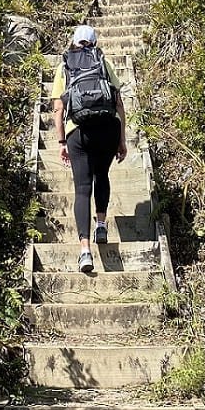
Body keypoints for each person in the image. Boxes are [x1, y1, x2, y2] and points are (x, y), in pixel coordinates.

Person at [52, 24, 127, 273]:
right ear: (94, 42)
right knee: (102, 174)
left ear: (74, 41)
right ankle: (102, 224)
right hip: (108, 128)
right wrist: (122, 139)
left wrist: (62, 142)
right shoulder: (103, 62)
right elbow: (119, 103)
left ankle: (85, 252)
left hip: (78, 132)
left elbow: (58, 109)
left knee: (82, 190)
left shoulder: (65, 65)